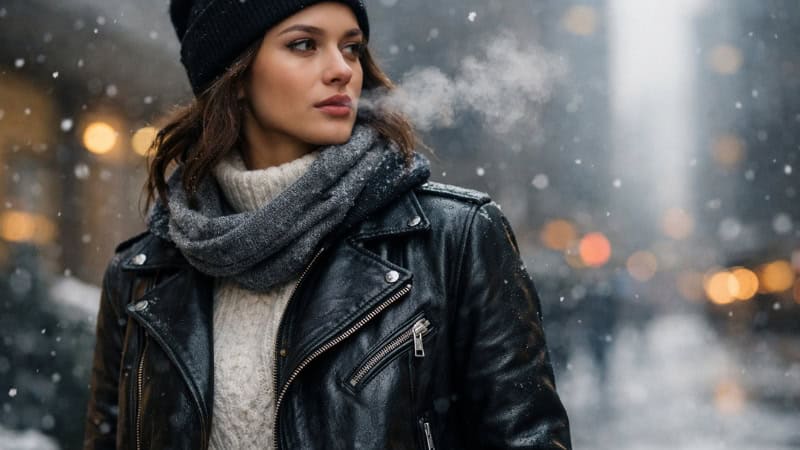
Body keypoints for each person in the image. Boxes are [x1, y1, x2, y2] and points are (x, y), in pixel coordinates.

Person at [82, 1, 571, 449]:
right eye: (304, 45)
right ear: (234, 71)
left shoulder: (455, 239)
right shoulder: (142, 274)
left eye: (351, 48)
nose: (342, 70)